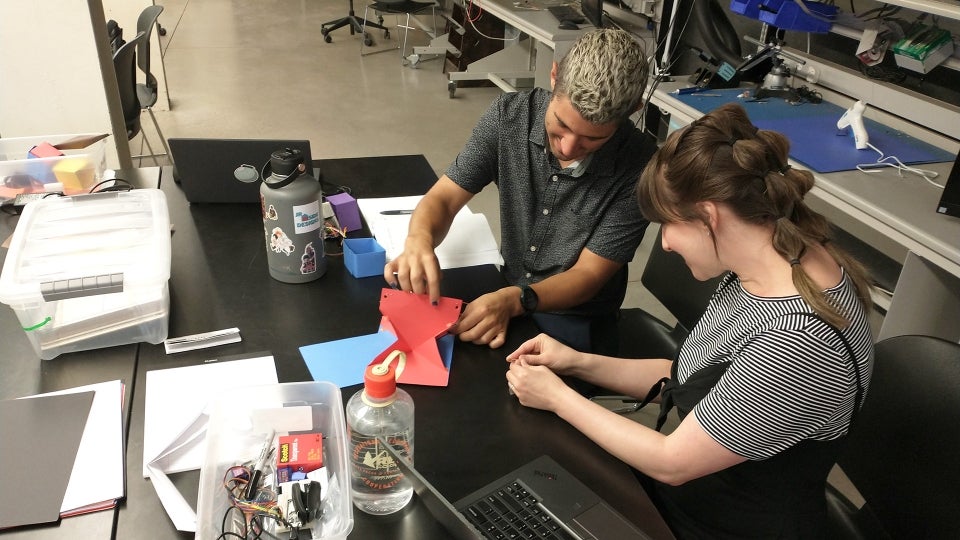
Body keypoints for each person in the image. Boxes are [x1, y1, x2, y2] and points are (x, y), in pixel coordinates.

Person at [504, 102, 876, 538]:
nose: (663, 244)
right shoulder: (764, 265)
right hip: (699, 491)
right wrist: (573, 362)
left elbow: (672, 462)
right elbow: (691, 375)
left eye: (667, 225)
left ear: (708, 216)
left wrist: (558, 399)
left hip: (719, 524)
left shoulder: (797, 344)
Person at [383, 28, 656, 353]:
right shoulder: (508, 118)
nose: (568, 147)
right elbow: (444, 197)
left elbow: (589, 274)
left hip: (576, 318)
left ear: (634, 109)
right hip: (508, 287)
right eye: (562, 125)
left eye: (591, 139)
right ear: (554, 76)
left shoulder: (640, 168)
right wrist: (418, 240)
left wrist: (518, 300)